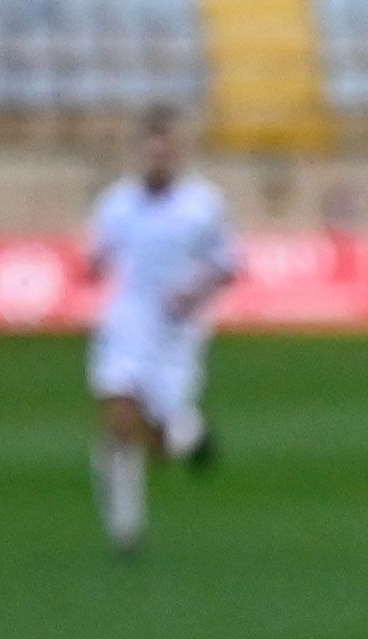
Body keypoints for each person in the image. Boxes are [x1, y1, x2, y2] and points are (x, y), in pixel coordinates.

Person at [83, 111, 240, 553]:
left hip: (176, 334)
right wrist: (93, 266)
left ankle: (188, 436)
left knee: (154, 440)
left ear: (177, 154)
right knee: (118, 418)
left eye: (166, 150)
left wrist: (193, 294)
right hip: (128, 323)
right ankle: (126, 531)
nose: (159, 158)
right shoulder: (117, 203)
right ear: (140, 154)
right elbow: (98, 256)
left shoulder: (203, 205)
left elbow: (228, 264)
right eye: (151, 150)